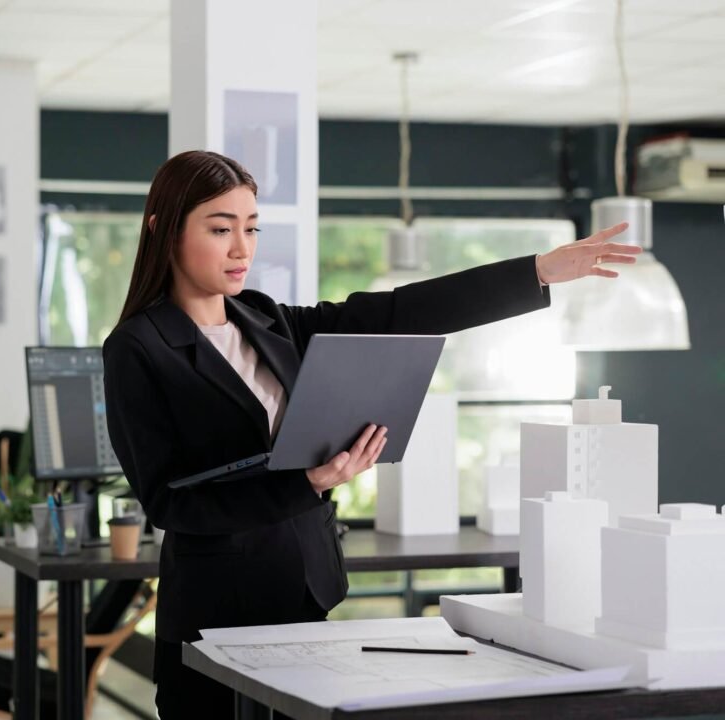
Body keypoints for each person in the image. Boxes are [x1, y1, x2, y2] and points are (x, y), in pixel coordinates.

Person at [101, 150, 638, 719]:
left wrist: (535, 271)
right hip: (216, 615)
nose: (242, 249)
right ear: (164, 229)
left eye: (251, 228)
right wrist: (308, 482)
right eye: (220, 228)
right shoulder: (138, 348)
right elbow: (168, 503)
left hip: (305, 595)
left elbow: (398, 311)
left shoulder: (267, 319)